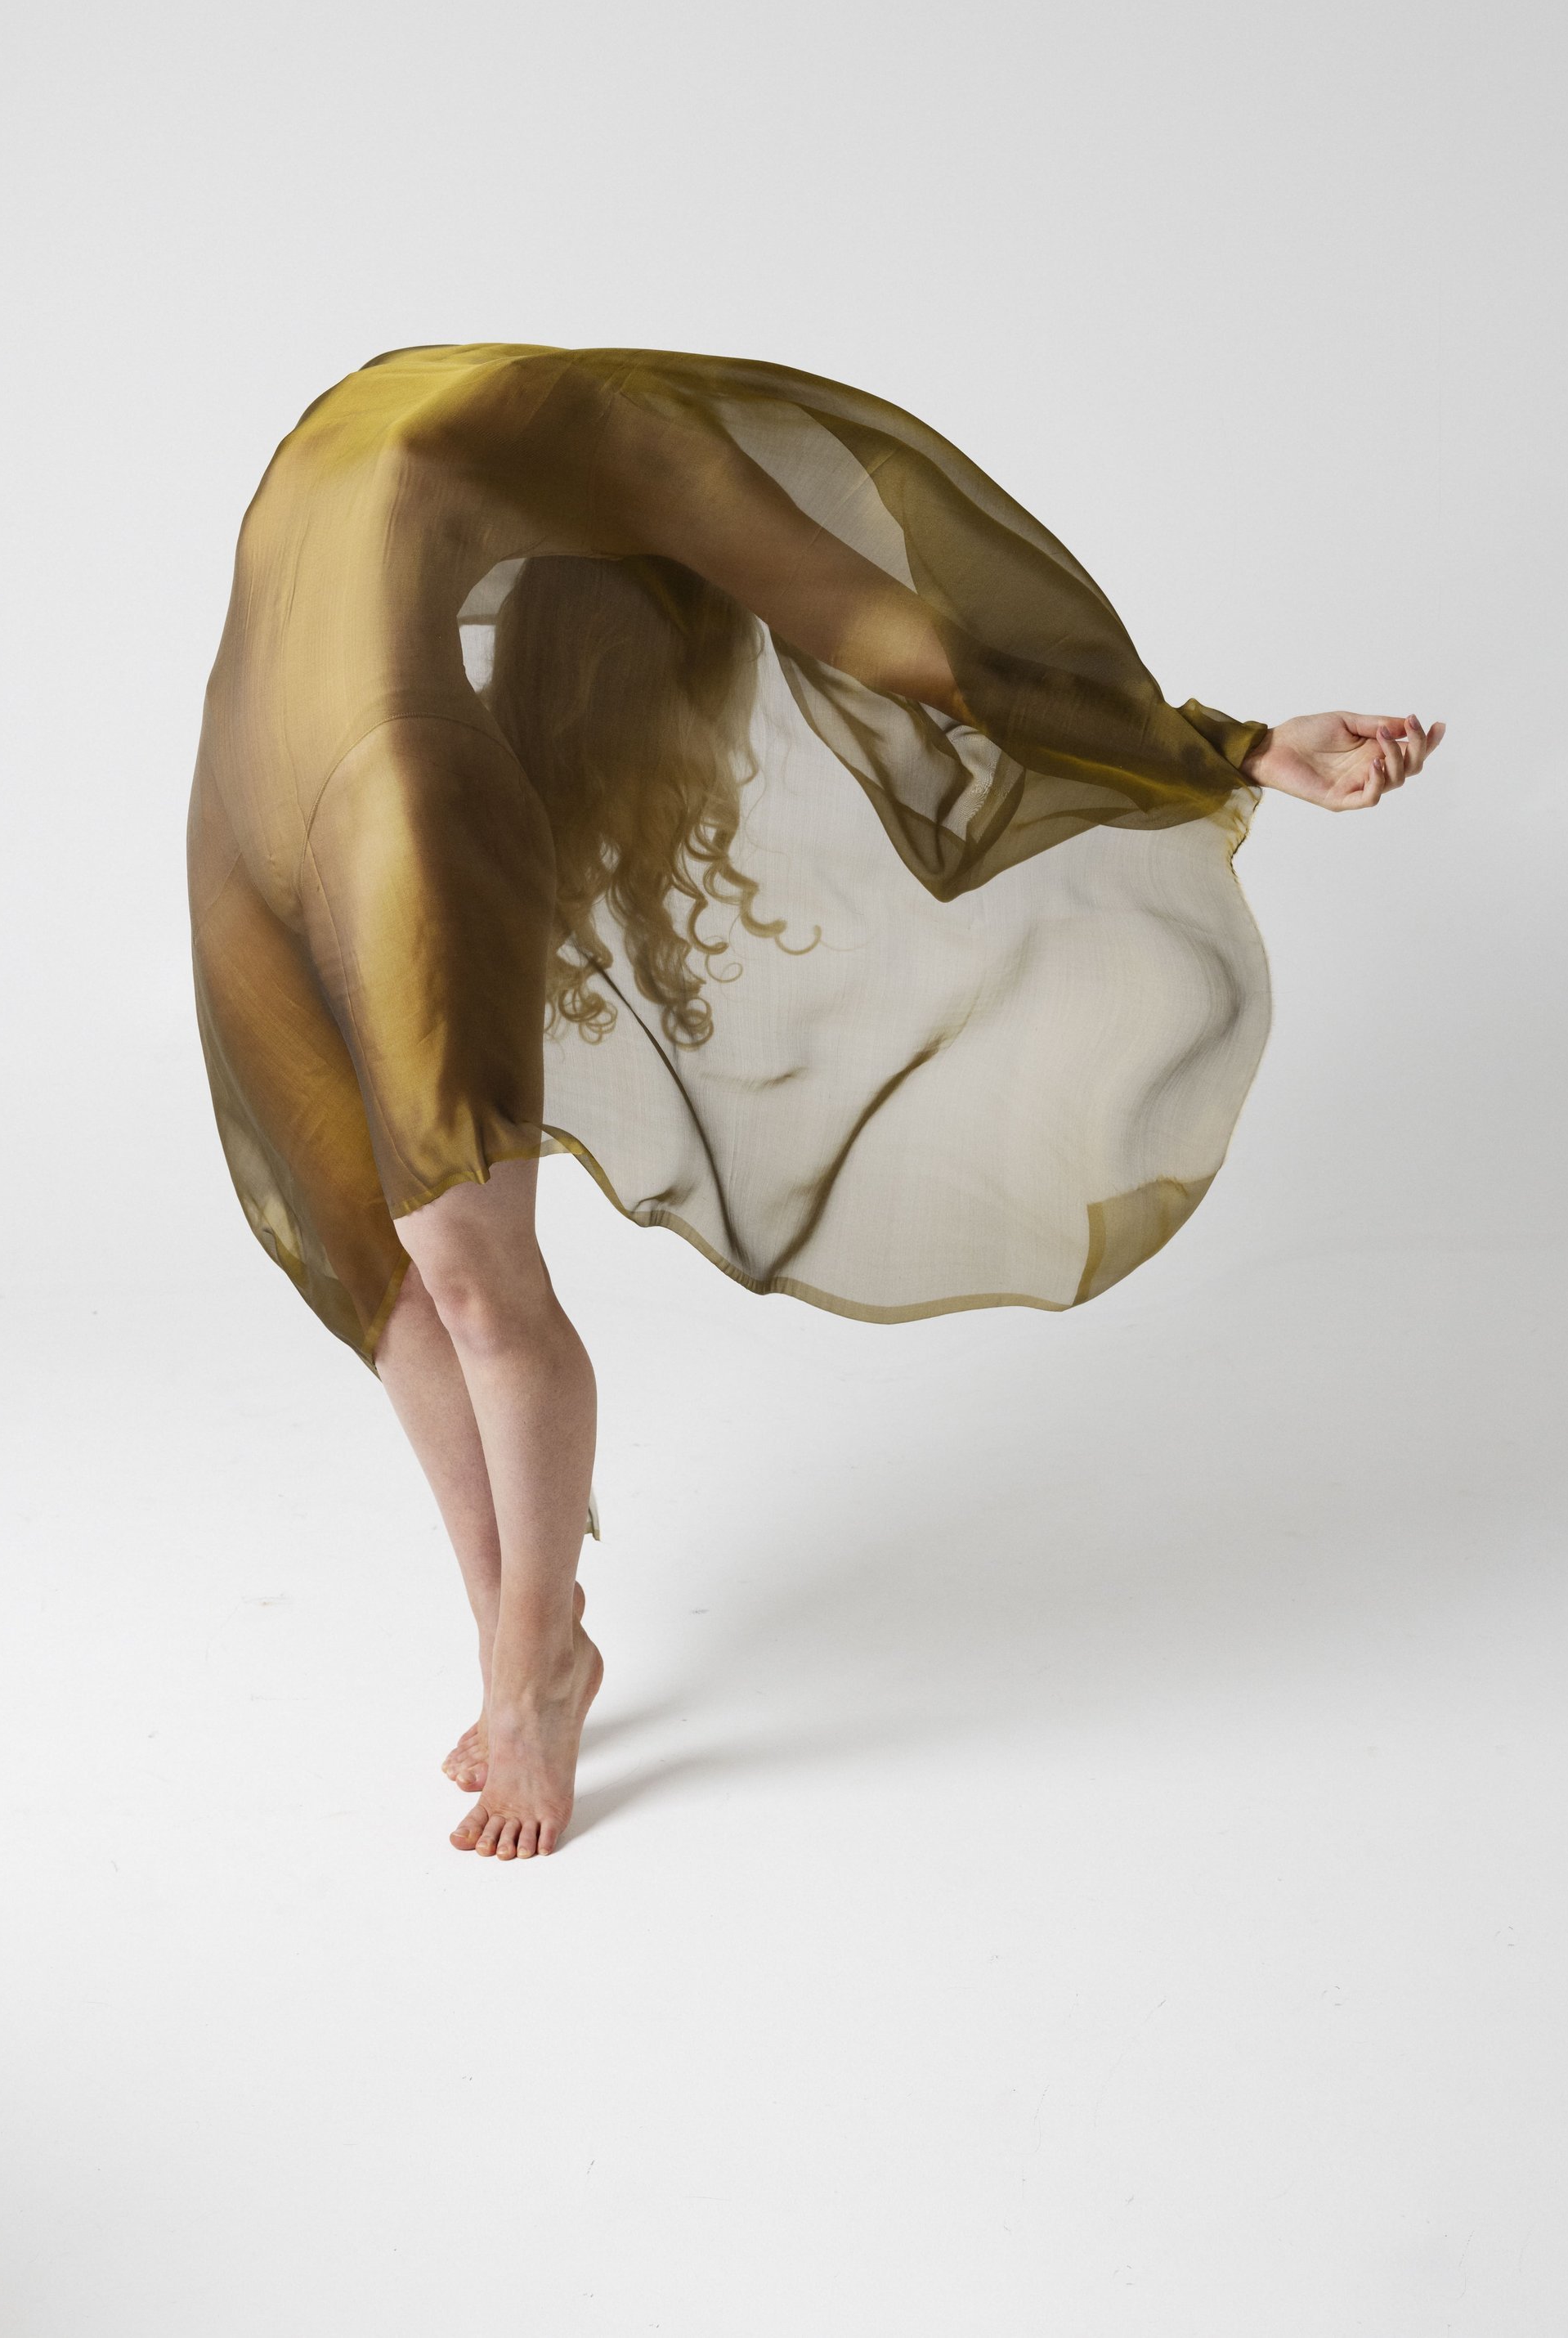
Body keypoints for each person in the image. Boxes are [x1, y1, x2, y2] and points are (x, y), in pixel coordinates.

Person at [187, 343, 1441, 1860]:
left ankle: (526, 1677)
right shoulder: (531, 413)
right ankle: (528, 1633)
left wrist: (1233, 746)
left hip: (394, 809)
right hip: (240, 812)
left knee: (467, 1273)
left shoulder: (586, 446)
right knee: (370, 1265)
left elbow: (911, 636)